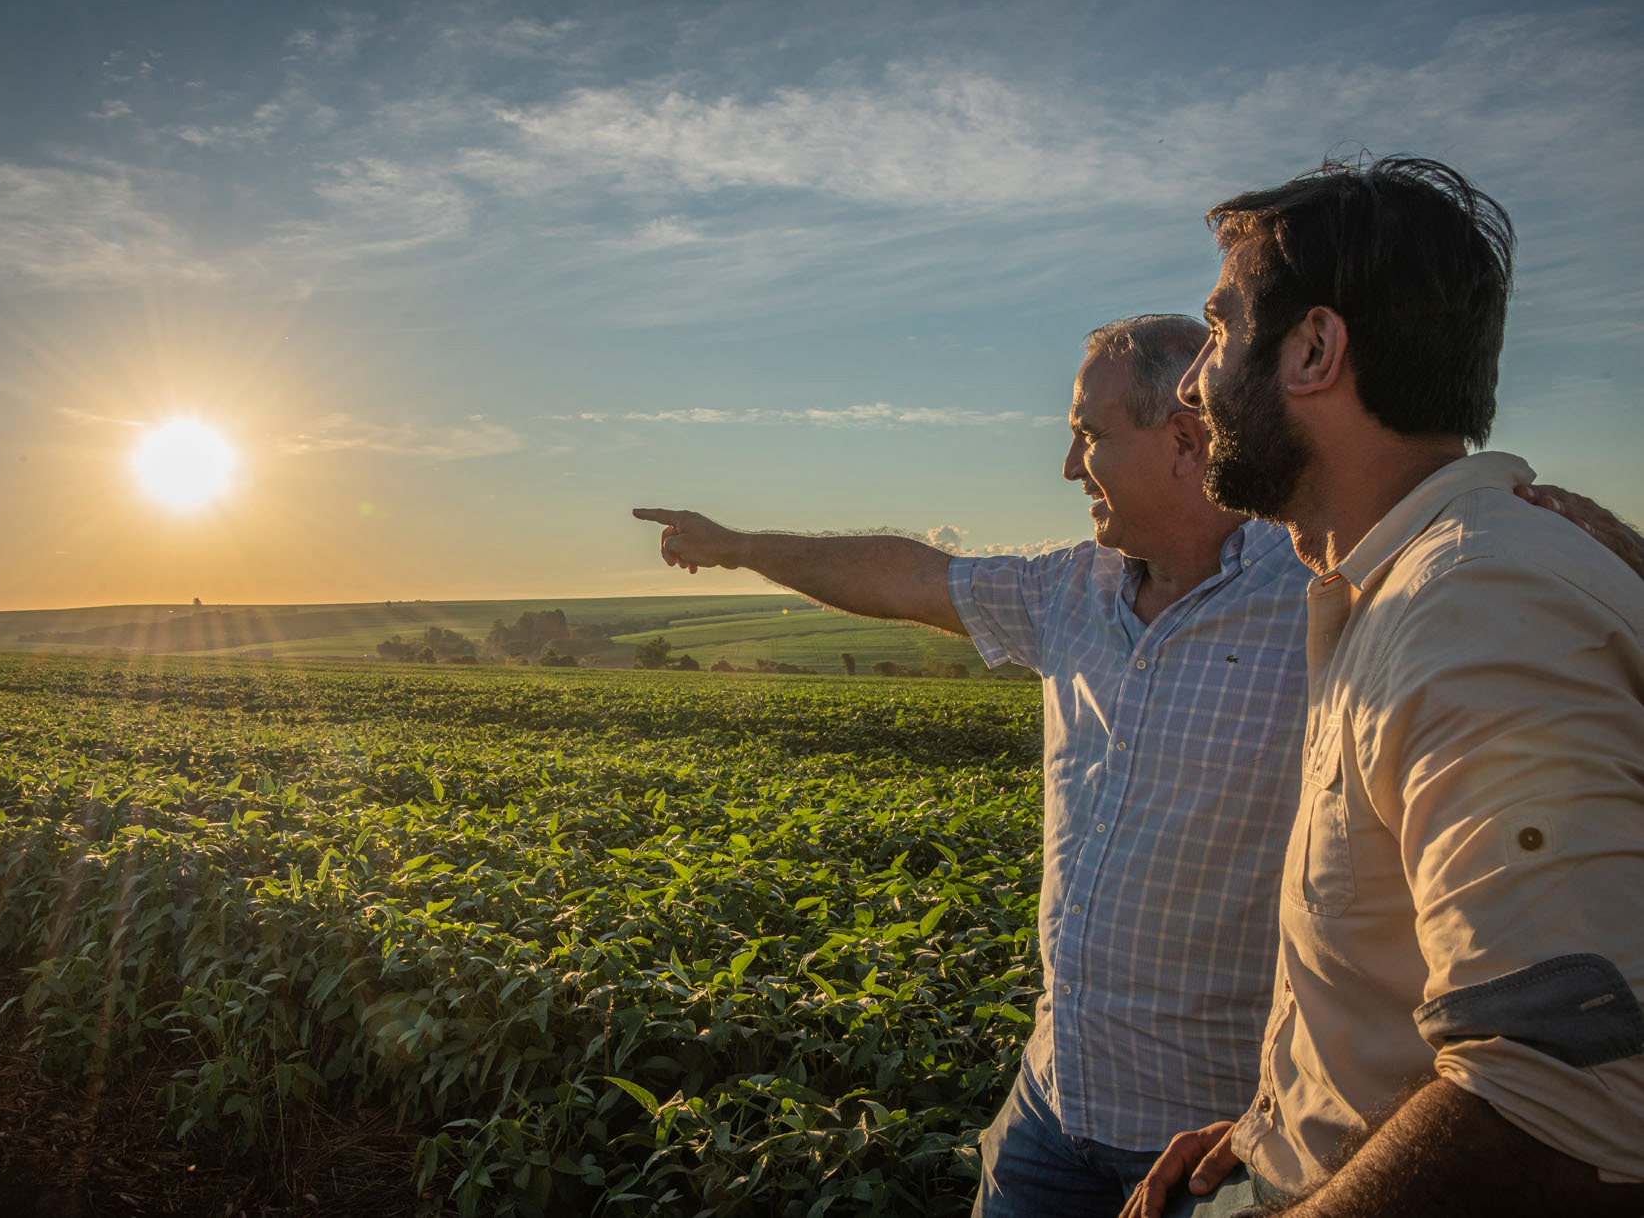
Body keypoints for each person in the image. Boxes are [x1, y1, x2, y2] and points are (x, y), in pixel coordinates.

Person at [642, 314, 1315, 1217]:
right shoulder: (1070, 588)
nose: (1070, 467)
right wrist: (737, 546)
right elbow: (908, 575)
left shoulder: (1320, 595)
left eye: (1089, 435)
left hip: (1212, 1142)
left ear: (1185, 441)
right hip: (1051, 1105)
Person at [1122, 156, 1644, 1218]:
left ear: (1314, 349)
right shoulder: (1394, 591)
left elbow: (1558, 1099)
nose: (1192, 382)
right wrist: (1283, 1124)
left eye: (1219, 330)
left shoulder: (1469, 611)